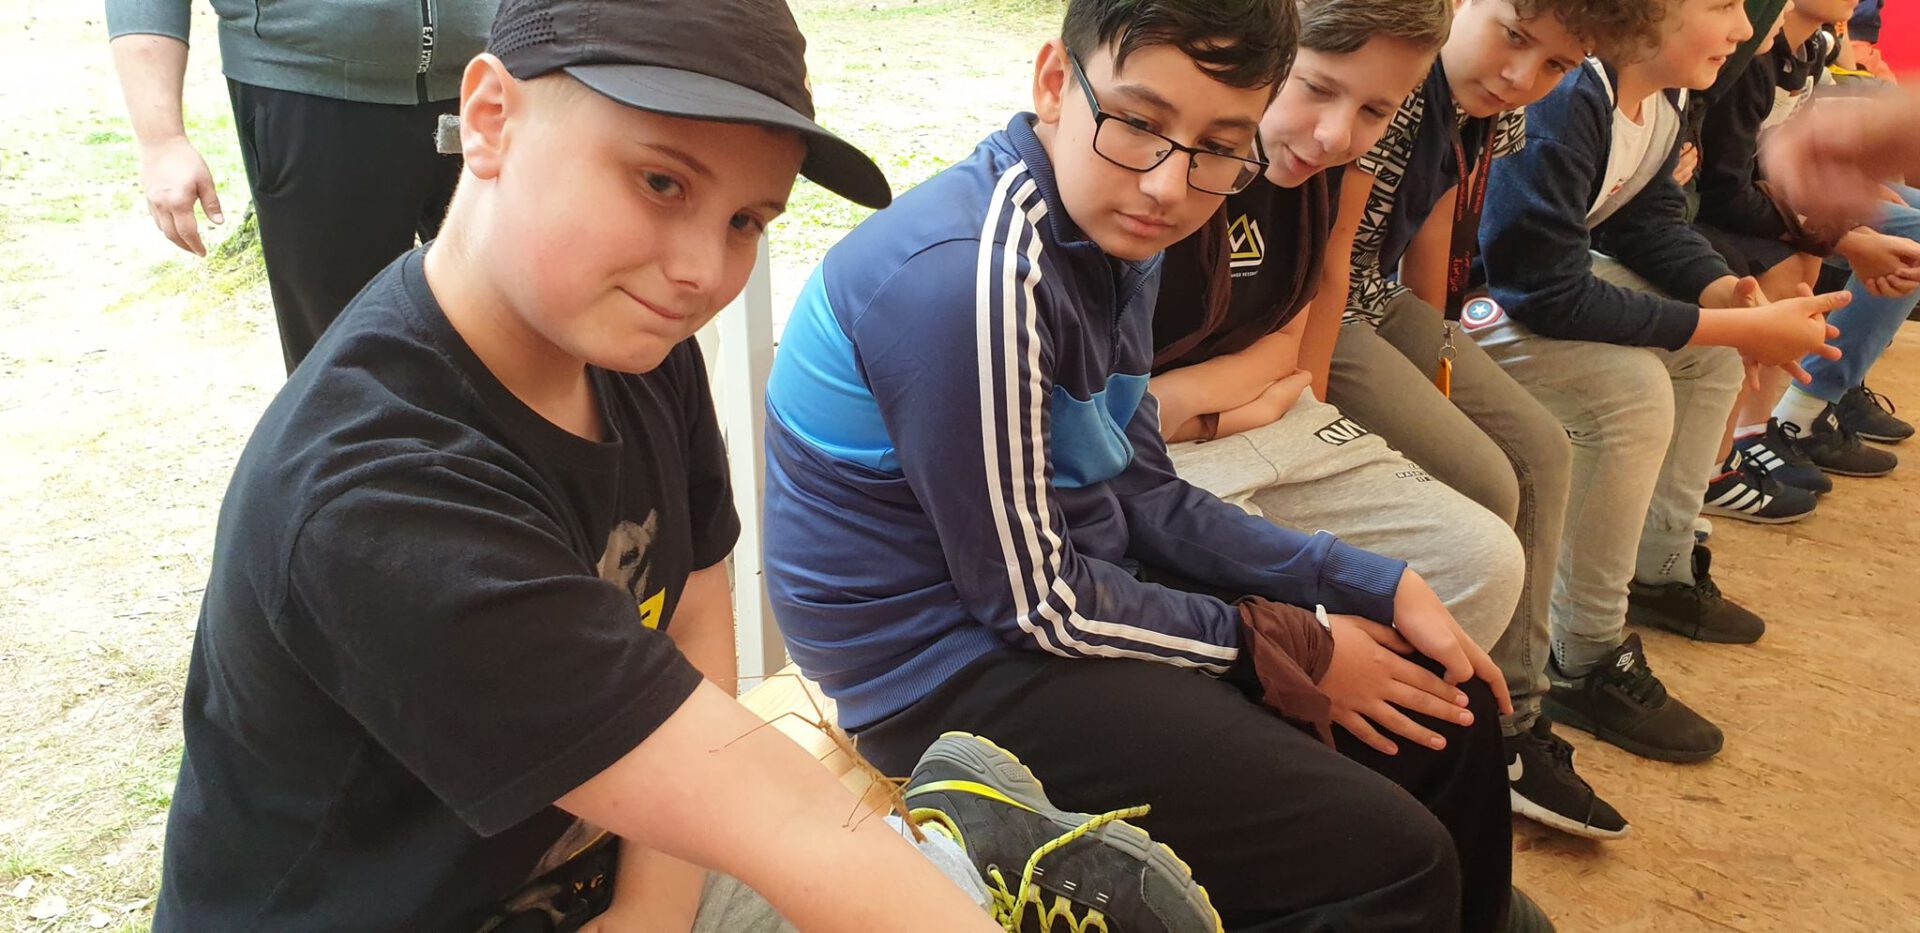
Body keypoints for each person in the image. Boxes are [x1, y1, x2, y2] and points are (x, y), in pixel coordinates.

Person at [149, 1, 1035, 929]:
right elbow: (784, 818)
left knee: (924, 879)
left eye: (745, 219)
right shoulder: (379, 494)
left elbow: (694, 608)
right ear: (490, 118)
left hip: (594, 867)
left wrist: (654, 905)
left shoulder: (630, 347)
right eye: (662, 182)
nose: (702, 271)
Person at [762, 0, 1533, 929]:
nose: (1171, 184)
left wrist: (1361, 578)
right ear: (1056, 83)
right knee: (1396, 862)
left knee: (1450, 712)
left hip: (1052, 594)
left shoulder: (1115, 233)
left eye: (1219, 145)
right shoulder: (977, 276)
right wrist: (1292, 647)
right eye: (1137, 122)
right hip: (937, 670)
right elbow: (1036, 604)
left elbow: (1142, 491)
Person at [1312, 0, 1658, 841]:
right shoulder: (1397, 82)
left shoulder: (1495, 107)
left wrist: (1439, 343)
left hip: (1385, 301)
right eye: (1513, 37)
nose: (1521, 76)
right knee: (1484, 481)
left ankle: (1517, 714)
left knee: (1543, 448)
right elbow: (1329, 256)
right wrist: (1310, 406)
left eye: (1555, 66)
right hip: (1330, 310)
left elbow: (1436, 213)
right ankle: (1466, 725)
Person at [1474, 0, 1846, 763]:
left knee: (1711, 357)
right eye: (1723, 5)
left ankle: (1659, 564)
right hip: (1475, 307)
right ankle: (1581, 652)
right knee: (1631, 392)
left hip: (1531, 289)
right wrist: (1730, 325)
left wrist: (1725, 294)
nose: (1744, 29)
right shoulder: (1569, 96)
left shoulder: (1664, 97)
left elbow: (1647, 220)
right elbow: (1538, 287)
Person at [1151, 0, 1526, 681]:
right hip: (1160, 451)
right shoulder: (1166, 172)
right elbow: (1107, 421)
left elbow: (1285, 346)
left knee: (1484, 556)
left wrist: (1228, 404)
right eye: (1317, 88)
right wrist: (1216, 413)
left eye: (1375, 111)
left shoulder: (1312, 170)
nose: (1334, 134)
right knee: (1286, 611)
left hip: (1260, 417)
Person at [106, 0, 495, 372]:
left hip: (493, 77)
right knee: (343, 354)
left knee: (506, 338)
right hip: (307, 84)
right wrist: (162, 139)